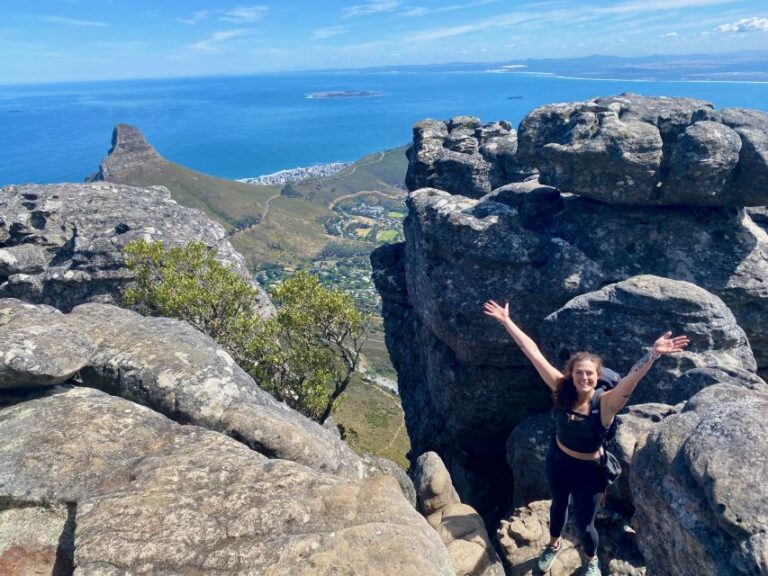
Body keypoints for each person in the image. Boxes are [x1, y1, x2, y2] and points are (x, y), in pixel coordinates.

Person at [483, 300, 688, 576]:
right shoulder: (561, 389)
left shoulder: (606, 404)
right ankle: (553, 545)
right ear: (571, 374)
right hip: (558, 459)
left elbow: (630, 381)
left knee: (585, 523)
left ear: (597, 376)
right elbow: (532, 353)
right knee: (557, 506)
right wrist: (507, 322)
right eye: (578, 372)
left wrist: (653, 354)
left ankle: (591, 559)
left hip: (589, 470)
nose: (584, 377)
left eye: (589, 373)